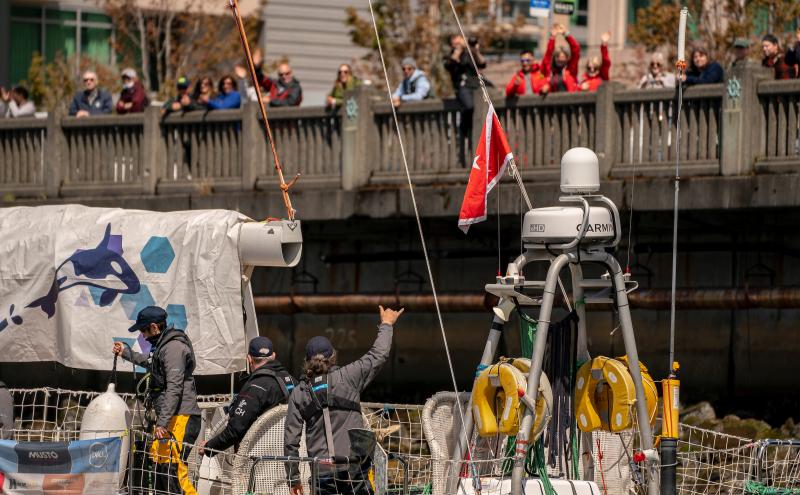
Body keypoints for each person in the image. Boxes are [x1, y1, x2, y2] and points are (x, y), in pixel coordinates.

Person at [285, 305, 404, 495]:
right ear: (333, 357)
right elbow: (378, 354)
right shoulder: (349, 376)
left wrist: (293, 479)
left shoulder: (299, 393)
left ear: (306, 361)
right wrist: (387, 324)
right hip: (353, 469)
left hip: (321, 472)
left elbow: (291, 442)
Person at [113, 306, 202, 495]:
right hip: (170, 417)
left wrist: (161, 423)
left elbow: (174, 388)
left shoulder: (173, 348)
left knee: (175, 471)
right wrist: (125, 353)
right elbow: (150, 362)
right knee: (162, 469)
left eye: (143, 331)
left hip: (182, 417)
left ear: (154, 327)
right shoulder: (162, 346)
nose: (143, 336)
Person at [199, 336, 296, 457]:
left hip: (257, 461)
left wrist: (209, 447)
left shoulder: (254, 388)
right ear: (274, 356)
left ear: (249, 359)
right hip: (289, 458)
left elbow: (235, 430)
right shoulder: (293, 382)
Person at [444, 34, 487, 165]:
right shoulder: (450, 56)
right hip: (462, 87)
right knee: (469, 107)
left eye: (460, 40)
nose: (458, 43)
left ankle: (470, 129)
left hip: (476, 88)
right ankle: (465, 128)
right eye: (455, 42)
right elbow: (449, 65)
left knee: (480, 112)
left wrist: (475, 50)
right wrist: (457, 51)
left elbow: (482, 64)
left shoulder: (470, 54)